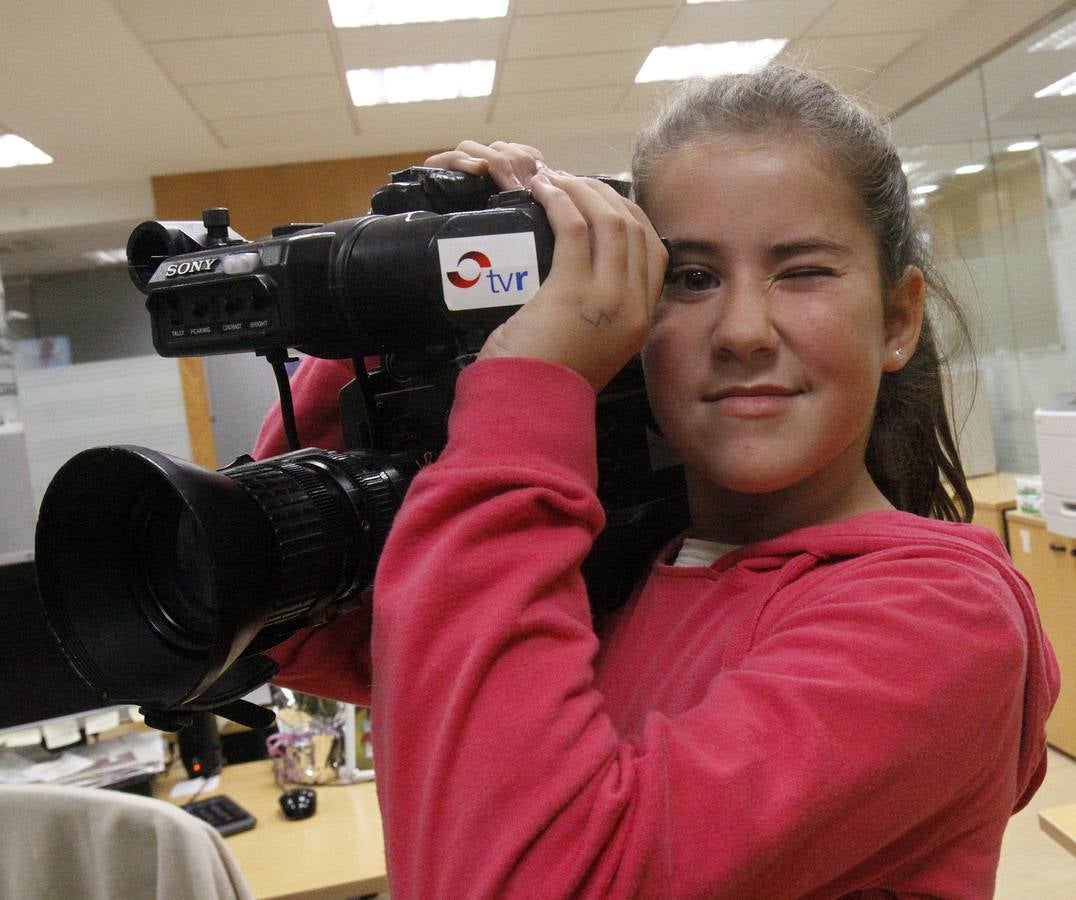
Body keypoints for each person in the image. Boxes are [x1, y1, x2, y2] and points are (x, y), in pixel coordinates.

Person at [256, 65, 1059, 898]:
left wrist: (530, 389)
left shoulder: (937, 618)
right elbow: (297, 626)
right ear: (634, 312)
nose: (743, 330)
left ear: (897, 320)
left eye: (803, 271)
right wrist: (412, 298)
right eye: (691, 277)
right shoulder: (626, 563)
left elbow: (539, 880)